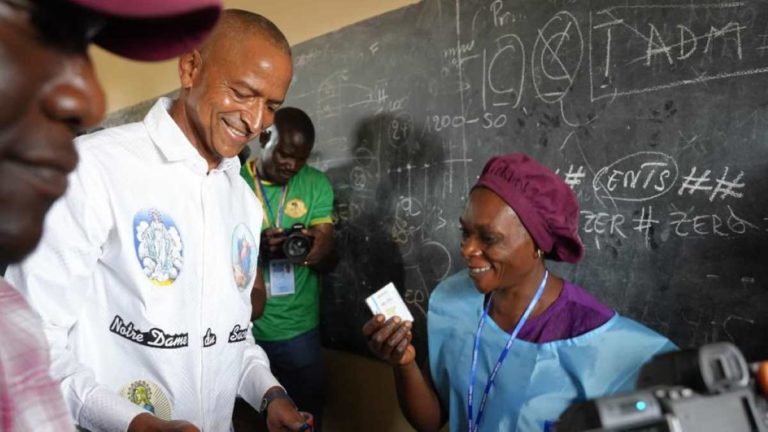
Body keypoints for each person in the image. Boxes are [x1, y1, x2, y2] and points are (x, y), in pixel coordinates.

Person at [5, 9, 312, 432]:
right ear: (190, 68)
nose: (256, 122)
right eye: (242, 93)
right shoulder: (92, 170)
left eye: (271, 105)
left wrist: (269, 393)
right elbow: (28, 345)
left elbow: (232, 336)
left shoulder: (241, 198)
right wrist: (133, 423)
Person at [0, 0, 222, 431]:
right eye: (36, 29)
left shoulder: (11, 330)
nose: (91, 102)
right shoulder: (101, 168)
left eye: (81, 44)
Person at [363, 153, 678, 431]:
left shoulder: (606, 345)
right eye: (465, 231)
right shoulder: (451, 302)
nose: (467, 248)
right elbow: (431, 421)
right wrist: (403, 364)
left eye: (489, 238)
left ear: (538, 244)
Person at [241, 107, 336, 431]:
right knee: (251, 422)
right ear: (264, 137)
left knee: (305, 421)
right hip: (244, 330)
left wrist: (311, 247)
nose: (291, 165)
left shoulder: (315, 183)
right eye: (284, 154)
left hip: (300, 331)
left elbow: (326, 243)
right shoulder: (234, 181)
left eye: (300, 159)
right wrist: (256, 250)